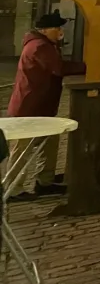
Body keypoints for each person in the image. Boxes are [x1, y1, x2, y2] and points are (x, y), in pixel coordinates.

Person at [6, 11, 86, 199]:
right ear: (44, 30)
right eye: (56, 28)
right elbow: (59, 67)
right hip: (29, 106)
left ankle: (45, 180)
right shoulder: (40, 46)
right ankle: (14, 189)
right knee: (22, 149)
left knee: (49, 142)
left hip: (41, 105)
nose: (60, 31)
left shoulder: (44, 44)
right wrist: (86, 66)